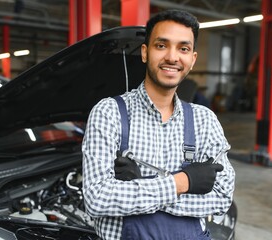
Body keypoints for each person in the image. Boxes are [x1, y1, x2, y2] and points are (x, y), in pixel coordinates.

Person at [82, 9, 235, 240]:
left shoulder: (204, 120)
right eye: (161, 45)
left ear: (192, 59)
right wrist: (182, 182)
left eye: (183, 48)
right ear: (145, 52)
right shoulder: (109, 113)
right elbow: (96, 199)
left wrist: (140, 189)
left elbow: (222, 197)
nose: (172, 57)